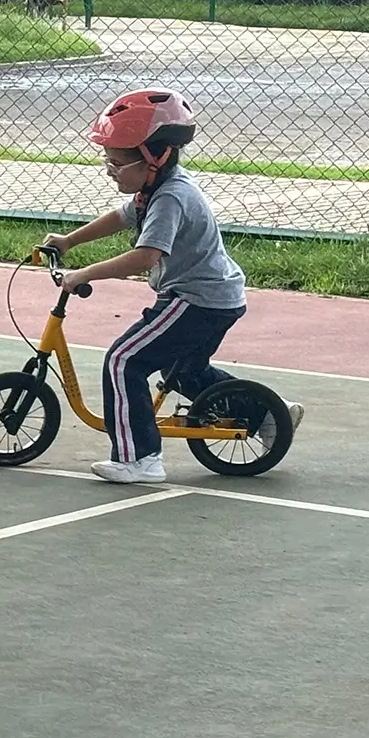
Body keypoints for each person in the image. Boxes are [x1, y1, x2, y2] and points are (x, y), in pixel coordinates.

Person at [41, 88, 302, 485]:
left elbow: (145, 256)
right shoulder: (154, 190)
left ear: (153, 158)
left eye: (117, 160)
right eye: (107, 159)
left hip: (197, 299)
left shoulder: (171, 198)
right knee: (181, 371)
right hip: (213, 297)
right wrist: (69, 241)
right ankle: (269, 411)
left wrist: (83, 273)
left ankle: (141, 458)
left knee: (124, 360)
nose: (110, 167)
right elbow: (120, 217)